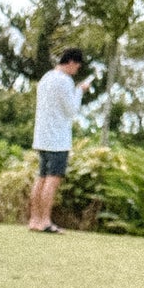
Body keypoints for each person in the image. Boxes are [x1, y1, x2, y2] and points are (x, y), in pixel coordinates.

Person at [28, 48, 89, 233]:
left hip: (42, 136)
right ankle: (45, 221)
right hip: (57, 139)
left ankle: (34, 219)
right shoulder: (65, 81)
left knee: (41, 178)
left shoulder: (46, 78)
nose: (77, 70)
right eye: (77, 66)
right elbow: (71, 110)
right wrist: (80, 91)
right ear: (70, 62)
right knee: (52, 180)